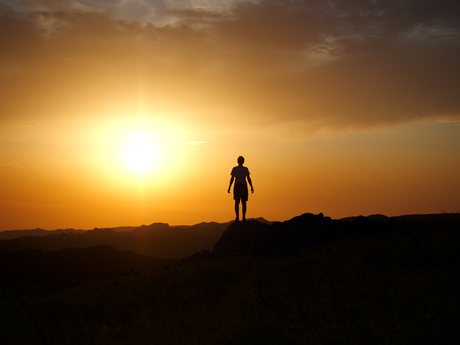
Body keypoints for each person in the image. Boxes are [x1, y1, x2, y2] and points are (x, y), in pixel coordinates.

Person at [228, 156, 254, 222]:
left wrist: (229, 187)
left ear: (237, 161)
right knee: (244, 202)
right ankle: (243, 217)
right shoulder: (245, 169)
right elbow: (248, 178)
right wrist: (251, 186)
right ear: (243, 161)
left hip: (237, 186)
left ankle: (237, 217)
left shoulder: (235, 169)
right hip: (243, 186)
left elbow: (232, 179)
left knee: (237, 202)